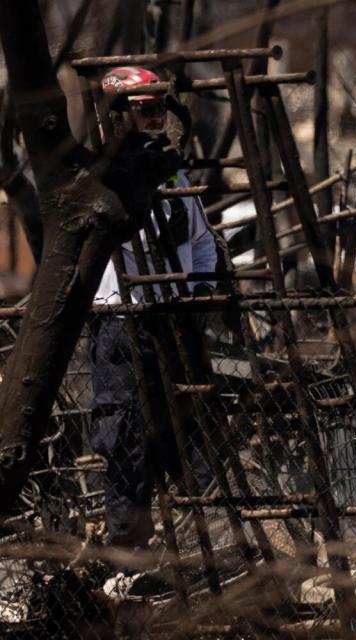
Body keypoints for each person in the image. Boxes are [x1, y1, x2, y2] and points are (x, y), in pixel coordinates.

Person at [88, 67, 217, 592]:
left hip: (172, 317)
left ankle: (211, 552)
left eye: (159, 107)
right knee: (126, 441)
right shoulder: (100, 177)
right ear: (117, 115)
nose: (154, 117)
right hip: (123, 320)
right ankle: (127, 564)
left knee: (193, 431)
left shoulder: (172, 172)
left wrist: (200, 291)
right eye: (143, 108)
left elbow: (201, 240)